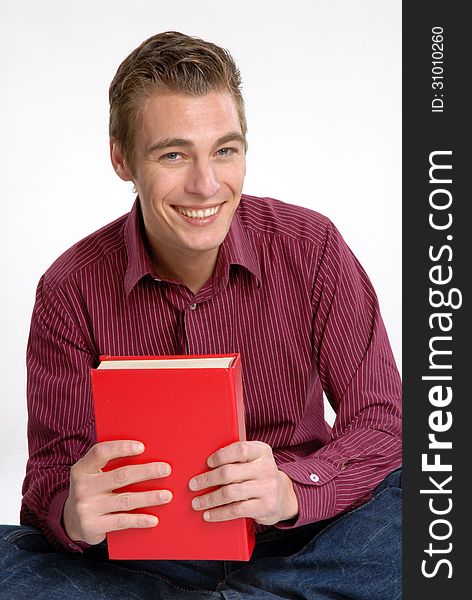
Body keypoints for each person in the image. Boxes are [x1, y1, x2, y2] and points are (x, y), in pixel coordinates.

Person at [0, 31, 402, 599]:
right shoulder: (69, 287)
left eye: (225, 150)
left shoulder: (312, 246)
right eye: (174, 154)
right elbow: (45, 482)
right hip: (151, 556)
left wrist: (292, 489)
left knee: (436, 505)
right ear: (121, 158)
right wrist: (72, 512)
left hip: (308, 540)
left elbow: (385, 422)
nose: (206, 184)